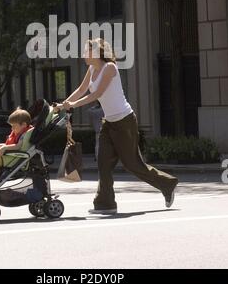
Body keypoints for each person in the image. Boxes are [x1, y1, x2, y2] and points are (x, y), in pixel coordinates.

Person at [61, 38, 178, 215]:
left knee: (132, 164)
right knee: (103, 162)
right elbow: (81, 89)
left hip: (125, 121)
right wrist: (64, 103)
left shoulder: (109, 68)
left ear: (96, 52)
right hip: (108, 122)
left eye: (86, 51)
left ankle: (167, 184)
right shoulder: (92, 68)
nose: (83, 54)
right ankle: (105, 204)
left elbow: (97, 94)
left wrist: (72, 105)